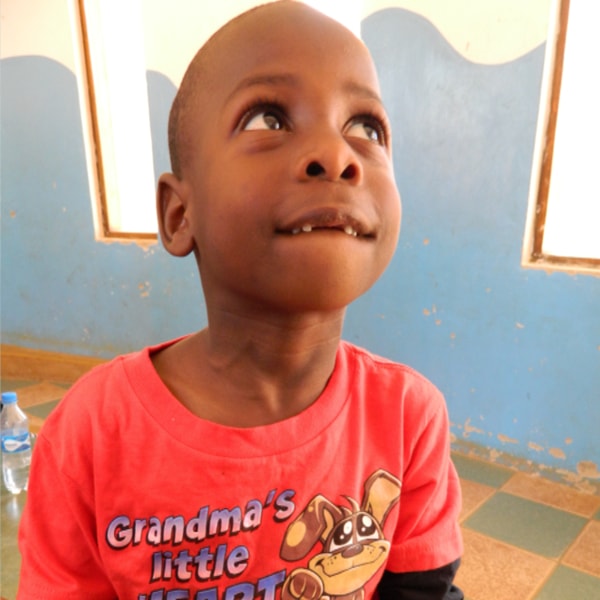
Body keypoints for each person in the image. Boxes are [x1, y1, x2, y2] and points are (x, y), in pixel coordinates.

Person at [18, 2, 463, 598]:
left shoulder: (409, 418)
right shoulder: (92, 433)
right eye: (268, 119)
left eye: (366, 128)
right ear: (180, 214)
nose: (337, 155)